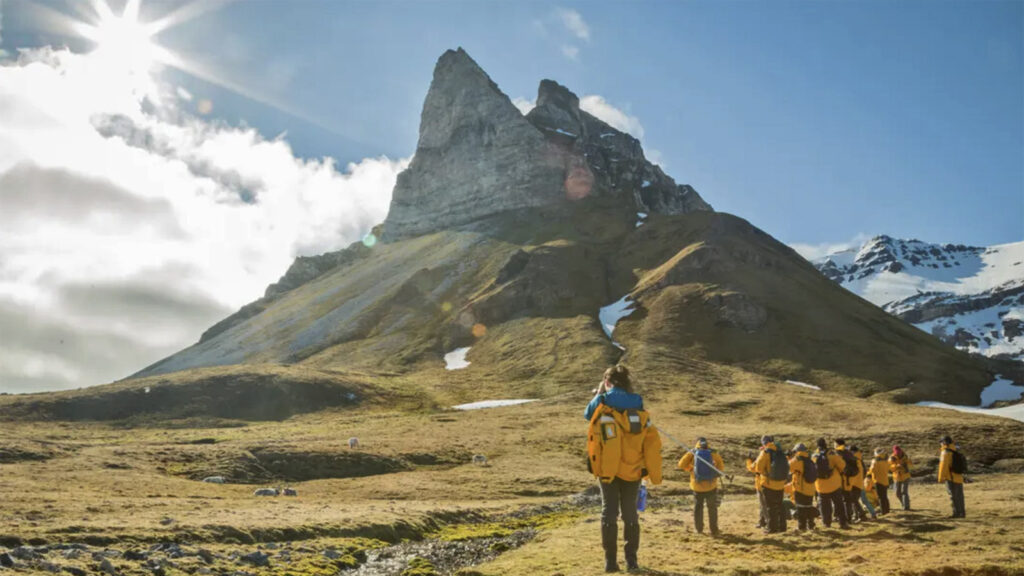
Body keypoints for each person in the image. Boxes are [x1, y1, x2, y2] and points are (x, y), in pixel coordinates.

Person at [585, 365, 662, 573]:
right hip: (633, 469)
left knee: (608, 514)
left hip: (607, 469)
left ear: (607, 382)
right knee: (630, 515)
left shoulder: (601, 401)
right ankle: (632, 561)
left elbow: (587, 414)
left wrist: (601, 392)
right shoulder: (638, 402)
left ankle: (610, 563)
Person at [678, 437, 725, 536]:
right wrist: (714, 474)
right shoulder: (712, 452)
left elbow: (681, 464)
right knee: (712, 509)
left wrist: (691, 469)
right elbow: (720, 466)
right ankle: (714, 530)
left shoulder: (694, 452)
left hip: (697, 486)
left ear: (697, 443)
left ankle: (699, 529)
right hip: (711, 485)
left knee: (698, 508)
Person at [813, 437, 850, 529]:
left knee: (824, 506)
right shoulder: (832, 454)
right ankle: (843, 523)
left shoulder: (814, 456)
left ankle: (826, 523)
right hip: (834, 484)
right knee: (839, 504)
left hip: (820, 486)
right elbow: (843, 466)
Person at [754, 435, 789, 534]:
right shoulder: (780, 451)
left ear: (764, 443)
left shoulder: (765, 453)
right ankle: (783, 527)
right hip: (780, 484)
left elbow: (758, 468)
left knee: (770, 507)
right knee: (780, 505)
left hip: (769, 484)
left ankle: (771, 528)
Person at [787, 443, 818, 531]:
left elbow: (788, 468)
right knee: (808, 506)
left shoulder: (797, 459)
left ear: (797, 451)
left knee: (801, 508)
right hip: (811, 488)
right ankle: (811, 525)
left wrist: (789, 458)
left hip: (801, 488)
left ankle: (802, 527)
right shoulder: (809, 459)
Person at [938, 435, 966, 518]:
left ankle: (956, 513)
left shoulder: (945, 452)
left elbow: (943, 466)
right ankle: (962, 513)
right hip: (959, 477)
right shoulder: (955, 450)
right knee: (960, 496)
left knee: (953, 496)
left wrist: (940, 478)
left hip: (950, 477)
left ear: (943, 443)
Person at [745, 447, 767, 529]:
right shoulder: (771, 457)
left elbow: (752, 468)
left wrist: (749, 460)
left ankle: (767, 522)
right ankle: (762, 521)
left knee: (763, 504)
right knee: (764, 504)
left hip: (761, 484)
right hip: (769, 484)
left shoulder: (761, 458)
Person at [869, 448, 891, 515]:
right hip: (885, 480)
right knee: (885, 496)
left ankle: (883, 511)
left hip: (878, 480)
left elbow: (872, 470)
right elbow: (888, 469)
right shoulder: (886, 460)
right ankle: (887, 510)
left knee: (880, 497)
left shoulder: (875, 461)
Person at [890, 445, 912, 510]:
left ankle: (906, 506)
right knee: (897, 493)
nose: (898, 454)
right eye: (897, 453)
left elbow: (911, 465)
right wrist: (896, 466)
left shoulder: (906, 456)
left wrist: (906, 464)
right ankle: (903, 503)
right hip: (897, 477)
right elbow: (890, 467)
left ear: (901, 451)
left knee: (904, 492)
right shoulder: (891, 457)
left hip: (905, 476)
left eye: (899, 452)